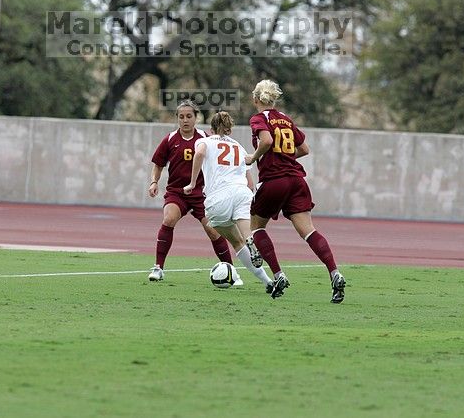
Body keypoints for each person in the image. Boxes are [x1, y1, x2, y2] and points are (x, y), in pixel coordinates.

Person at [245, 80, 347, 302]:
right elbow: (304, 149)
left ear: (255, 100)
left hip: (274, 180)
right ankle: (334, 272)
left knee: (256, 228)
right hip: (297, 180)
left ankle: (278, 275)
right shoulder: (286, 119)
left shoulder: (258, 119)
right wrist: (283, 157)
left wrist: (254, 158)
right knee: (308, 230)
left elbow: (266, 139)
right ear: (274, 100)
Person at [183, 111, 274, 292]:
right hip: (241, 193)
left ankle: (265, 278)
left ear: (211, 129)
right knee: (246, 235)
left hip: (218, 197)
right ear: (229, 130)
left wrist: (192, 182)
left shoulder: (205, 141)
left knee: (236, 242)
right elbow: (248, 174)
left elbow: (200, 153)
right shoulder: (238, 146)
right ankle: (267, 280)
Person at [147, 100, 236, 282]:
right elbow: (158, 164)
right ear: (177, 119)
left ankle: (231, 271)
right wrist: (154, 182)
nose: (185, 120)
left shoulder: (205, 138)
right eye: (181, 117)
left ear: (196, 118)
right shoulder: (170, 139)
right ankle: (158, 268)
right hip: (177, 193)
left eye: (189, 116)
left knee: (213, 231)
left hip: (201, 195)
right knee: (169, 219)